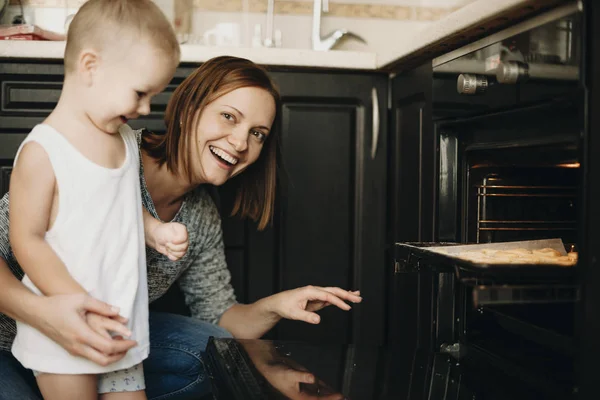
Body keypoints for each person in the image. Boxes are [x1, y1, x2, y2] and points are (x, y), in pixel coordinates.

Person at [0, 56, 362, 400]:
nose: (240, 143)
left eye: (258, 134)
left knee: (217, 352)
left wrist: (277, 306)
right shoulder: (107, 152)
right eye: (228, 117)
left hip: (101, 341)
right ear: (189, 111)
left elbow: (221, 318)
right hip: (10, 338)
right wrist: (46, 317)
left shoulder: (201, 216)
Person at [6, 0, 189, 399]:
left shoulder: (124, 141)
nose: (145, 109)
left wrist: (154, 230)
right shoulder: (44, 151)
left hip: (119, 327)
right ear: (91, 66)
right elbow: (27, 240)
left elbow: (120, 209)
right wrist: (78, 303)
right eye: (140, 93)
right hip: (65, 330)